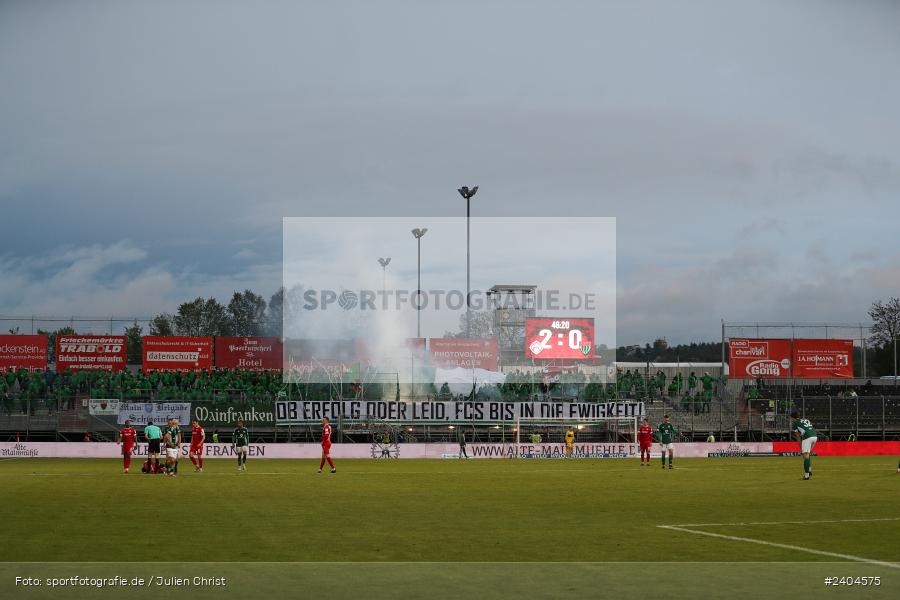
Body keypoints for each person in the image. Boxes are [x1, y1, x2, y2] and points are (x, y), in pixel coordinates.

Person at [790, 410, 817, 480]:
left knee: (805, 455)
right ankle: (809, 470)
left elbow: (798, 435)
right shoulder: (805, 420)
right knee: (807, 454)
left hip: (807, 437)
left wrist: (800, 444)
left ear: (792, 417)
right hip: (815, 436)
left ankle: (806, 476)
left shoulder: (795, 423)